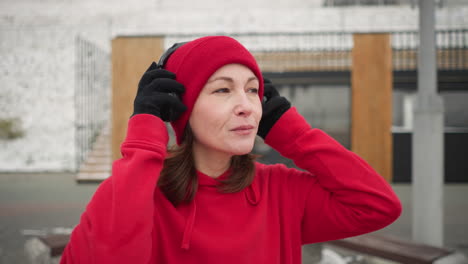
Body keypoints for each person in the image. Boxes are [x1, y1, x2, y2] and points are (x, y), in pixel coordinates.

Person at [60, 36, 402, 264]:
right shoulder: (142, 194)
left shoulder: (280, 191)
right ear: (180, 107)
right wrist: (146, 129)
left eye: (253, 91)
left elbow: (377, 205)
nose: (247, 106)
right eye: (223, 90)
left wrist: (291, 130)